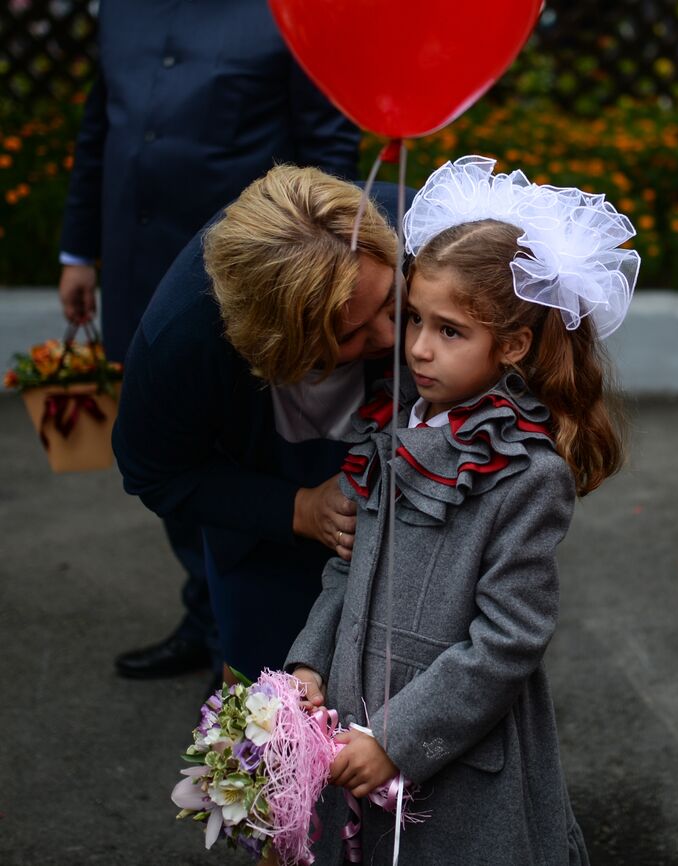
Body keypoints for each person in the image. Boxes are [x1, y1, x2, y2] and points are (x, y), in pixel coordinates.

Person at [285, 155, 637, 864]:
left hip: (453, 757)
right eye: (413, 318)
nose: (416, 347)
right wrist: (308, 663)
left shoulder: (525, 475)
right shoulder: (392, 433)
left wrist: (396, 740)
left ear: (509, 345)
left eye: (450, 331)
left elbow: (507, 641)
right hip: (352, 723)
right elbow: (344, 569)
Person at [58, 0, 361, 684]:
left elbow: (328, 150)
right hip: (139, 272)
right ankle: (206, 615)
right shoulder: (120, 10)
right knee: (167, 443)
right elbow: (101, 132)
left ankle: (254, 633)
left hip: (255, 291)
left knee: (247, 452)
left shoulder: (287, 12)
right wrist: (78, 250)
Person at [111, 165, 408, 685]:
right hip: (264, 529)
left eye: (394, 303)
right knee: (274, 700)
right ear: (277, 342)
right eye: (352, 332)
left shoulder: (421, 228)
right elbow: (155, 473)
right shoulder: (180, 341)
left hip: (409, 539)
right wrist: (299, 510)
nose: (390, 336)